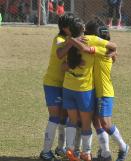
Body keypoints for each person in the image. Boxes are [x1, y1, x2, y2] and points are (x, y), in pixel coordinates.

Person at [75, 17, 129, 161]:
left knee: (105, 123)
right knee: (96, 121)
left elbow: (86, 48)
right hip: (97, 91)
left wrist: (73, 39)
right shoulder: (107, 49)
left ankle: (123, 147)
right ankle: (105, 153)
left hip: (105, 92)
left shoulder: (101, 49)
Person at [40, 15, 73, 161]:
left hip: (65, 84)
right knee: (55, 116)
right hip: (52, 83)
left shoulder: (70, 39)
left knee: (64, 116)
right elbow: (61, 53)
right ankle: (45, 151)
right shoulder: (59, 39)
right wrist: (73, 42)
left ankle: (61, 148)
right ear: (66, 27)